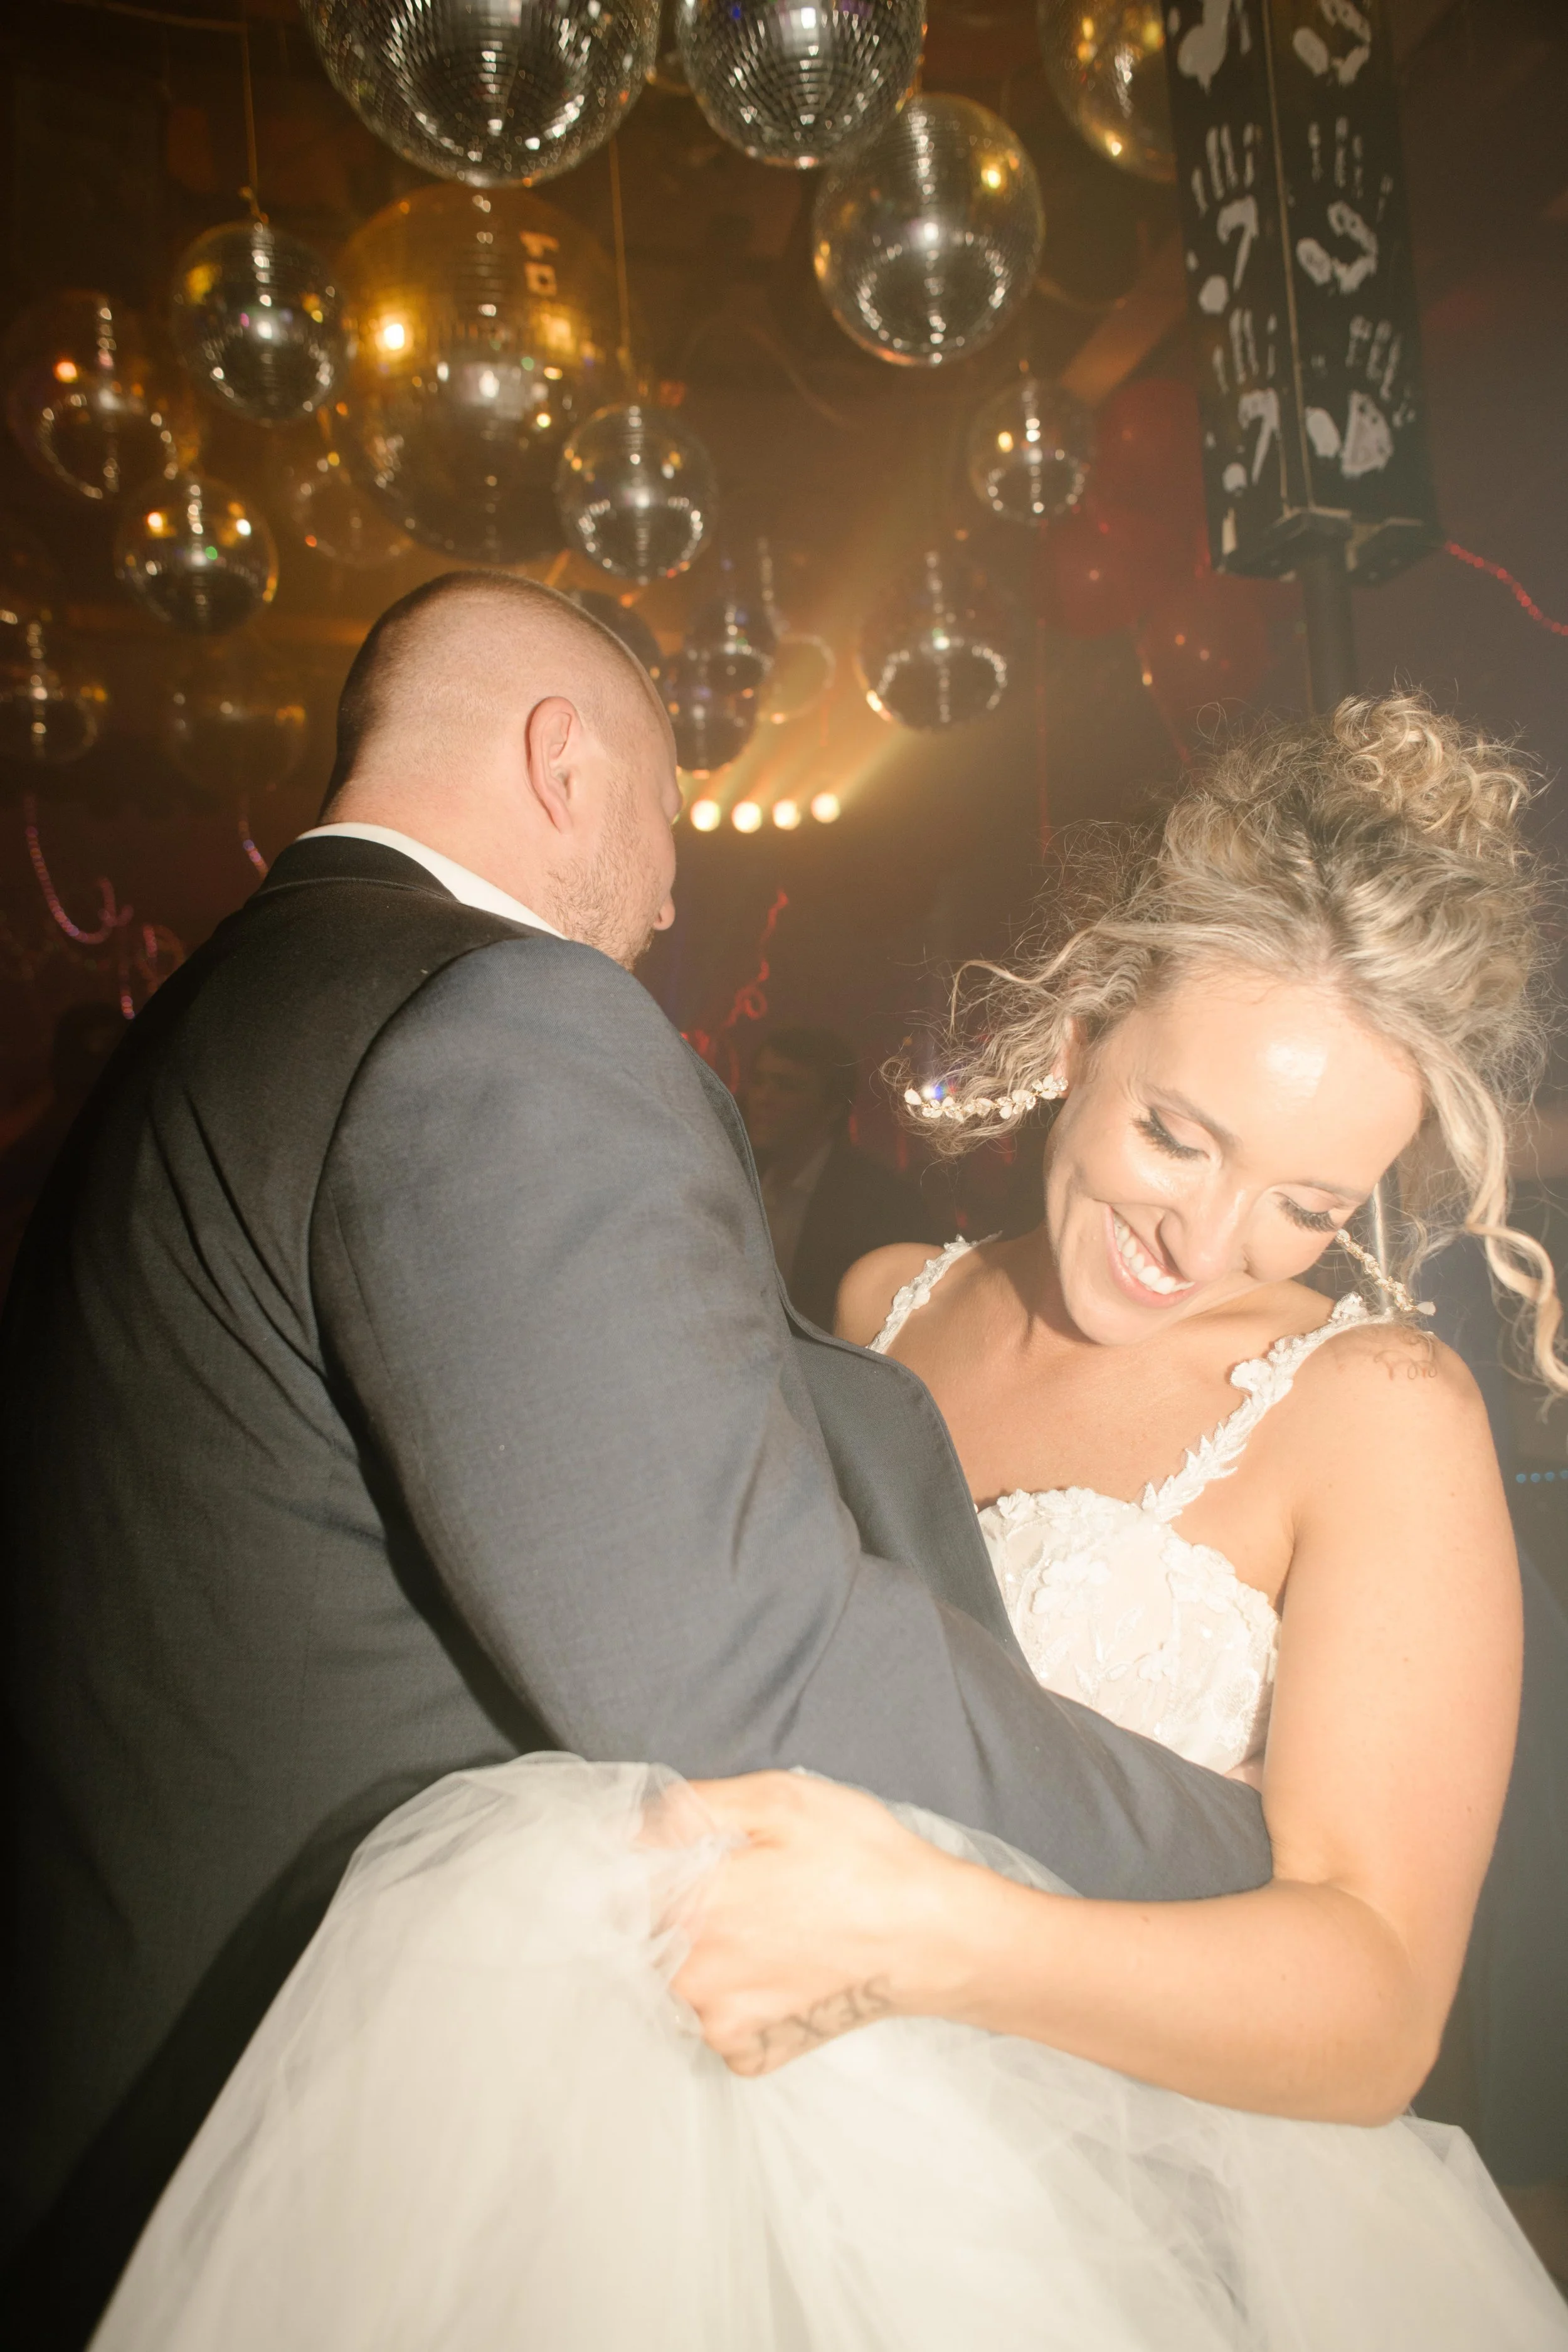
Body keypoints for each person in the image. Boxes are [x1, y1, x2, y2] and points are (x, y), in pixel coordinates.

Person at [82, 697, 1568, 2348]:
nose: (1204, 1240)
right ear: (1076, 1031)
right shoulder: (880, 1301)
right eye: (1174, 1133)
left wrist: (949, 1933)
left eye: (1306, 1207)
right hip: (754, 2155)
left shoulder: (1377, 1405)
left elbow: (1376, 2005)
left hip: (1124, 2220)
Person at [741, 1025, 946, 1327]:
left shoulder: (878, 1203)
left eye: (786, 1086)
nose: (762, 1097)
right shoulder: (736, 1173)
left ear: (831, 1108)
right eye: (758, 1081)